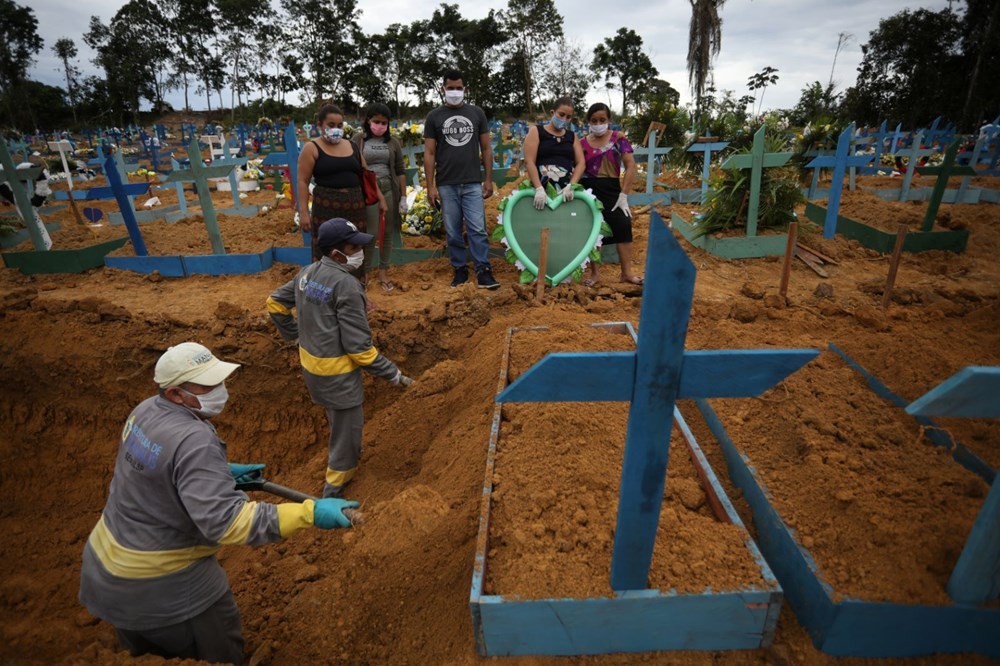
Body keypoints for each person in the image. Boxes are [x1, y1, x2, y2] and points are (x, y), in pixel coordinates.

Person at [78, 342, 359, 665]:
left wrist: (218, 475)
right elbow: (229, 523)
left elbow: (154, 470)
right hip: (164, 587)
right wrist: (311, 512)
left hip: (107, 572)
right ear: (174, 394)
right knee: (219, 655)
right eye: (207, 385)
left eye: (219, 381)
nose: (219, 389)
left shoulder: (144, 411)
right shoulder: (194, 440)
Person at [267, 218, 414, 499]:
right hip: (337, 378)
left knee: (339, 423)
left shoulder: (308, 273)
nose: (360, 250)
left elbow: (274, 303)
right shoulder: (346, 285)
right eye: (353, 246)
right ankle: (333, 493)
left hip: (312, 368)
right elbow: (360, 351)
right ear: (336, 254)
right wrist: (395, 375)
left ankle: (343, 470)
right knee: (346, 438)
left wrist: (297, 335)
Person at [423, 69, 500, 289]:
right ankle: (459, 269)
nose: (455, 92)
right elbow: (429, 153)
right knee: (453, 230)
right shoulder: (434, 117)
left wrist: (488, 179)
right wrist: (430, 187)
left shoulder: (476, 113)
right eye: (450, 88)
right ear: (443, 89)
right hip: (447, 183)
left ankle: (483, 269)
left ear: (464, 89)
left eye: (459, 88)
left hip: (472, 182)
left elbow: (486, 148)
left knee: (477, 228)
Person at [297, 103, 387, 268]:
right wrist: (303, 212)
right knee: (327, 249)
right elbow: (303, 181)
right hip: (326, 207)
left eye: (339, 125)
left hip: (355, 208)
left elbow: (367, 174)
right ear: (320, 125)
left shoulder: (352, 146)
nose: (336, 129)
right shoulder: (312, 148)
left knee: (355, 248)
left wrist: (380, 198)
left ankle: (354, 286)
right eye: (331, 125)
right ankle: (325, 285)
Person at [579, 103, 643, 286]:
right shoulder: (582, 143)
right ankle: (595, 274)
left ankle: (626, 273)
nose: (598, 123)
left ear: (609, 120)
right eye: (594, 120)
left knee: (623, 226)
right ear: (588, 122)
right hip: (588, 191)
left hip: (612, 189)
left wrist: (624, 194)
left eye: (602, 120)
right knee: (593, 231)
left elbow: (630, 165)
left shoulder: (618, 139)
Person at [352, 103, 407, 292]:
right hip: (367, 191)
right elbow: (353, 165)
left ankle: (383, 270)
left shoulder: (393, 142)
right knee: (371, 233)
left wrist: (404, 196)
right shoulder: (358, 140)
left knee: (388, 232)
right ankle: (365, 271)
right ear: (368, 121)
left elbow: (400, 170)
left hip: (389, 187)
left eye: (384, 122)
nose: (380, 125)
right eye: (376, 121)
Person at [522, 96, 585, 210]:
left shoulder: (572, 137)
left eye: (568, 117)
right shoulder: (537, 131)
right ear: (552, 112)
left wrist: (572, 185)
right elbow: (529, 161)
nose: (564, 119)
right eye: (561, 114)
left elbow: (581, 163)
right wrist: (539, 188)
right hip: (541, 190)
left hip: (566, 192)